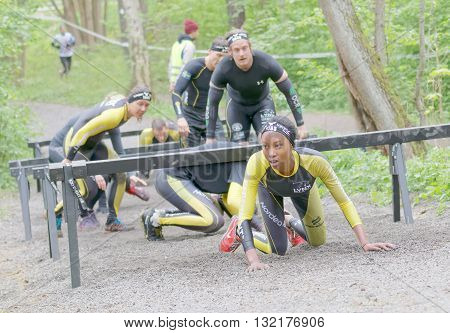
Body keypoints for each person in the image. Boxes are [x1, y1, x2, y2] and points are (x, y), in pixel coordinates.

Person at [219, 116, 396, 271]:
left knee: (317, 242)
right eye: (265, 146)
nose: (271, 153)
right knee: (279, 249)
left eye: (278, 145)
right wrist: (253, 260)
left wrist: (365, 243)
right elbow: (245, 213)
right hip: (270, 191)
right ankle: (238, 230)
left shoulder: (314, 161)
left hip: (303, 190)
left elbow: (344, 202)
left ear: (292, 144)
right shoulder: (256, 162)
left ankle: (287, 221)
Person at [59, 86, 152, 232]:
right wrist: (69, 158)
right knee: (84, 191)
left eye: (146, 105)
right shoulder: (114, 115)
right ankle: (54, 215)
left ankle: (112, 221)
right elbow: (83, 131)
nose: (143, 108)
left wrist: (131, 174)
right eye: (139, 104)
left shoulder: (124, 106)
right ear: (129, 101)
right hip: (76, 143)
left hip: (93, 144)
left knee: (121, 174)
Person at [140, 142, 265, 241]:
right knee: (213, 220)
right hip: (172, 177)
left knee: (219, 210)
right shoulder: (245, 162)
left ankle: (159, 214)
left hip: (178, 176)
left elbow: (230, 204)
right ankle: (155, 218)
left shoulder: (245, 155)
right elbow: (234, 203)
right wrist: (262, 228)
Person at [206, 29, 308, 144]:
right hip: (236, 107)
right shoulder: (223, 69)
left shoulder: (266, 62)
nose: (242, 54)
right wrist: (210, 137)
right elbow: (212, 104)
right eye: (236, 50)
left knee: (267, 140)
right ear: (230, 52)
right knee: (240, 147)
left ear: (250, 47)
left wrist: (301, 125)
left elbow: (290, 92)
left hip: (263, 104)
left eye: (244, 48)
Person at [171, 37, 228, 147]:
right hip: (190, 116)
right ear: (209, 52)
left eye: (224, 57)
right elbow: (176, 92)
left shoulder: (225, 70)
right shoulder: (194, 66)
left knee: (222, 151)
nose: (221, 60)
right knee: (190, 158)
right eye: (218, 55)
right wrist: (180, 117)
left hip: (211, 116)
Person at [168, 19, 199, 92]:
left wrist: (172, 82)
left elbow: (170, 64)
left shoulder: (176, 44)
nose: (198, 33)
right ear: (193, 32)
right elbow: (187, 65)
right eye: (197, 31)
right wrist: (177, 83)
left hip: (173, 81)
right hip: (184, 82)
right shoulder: (189, 45)